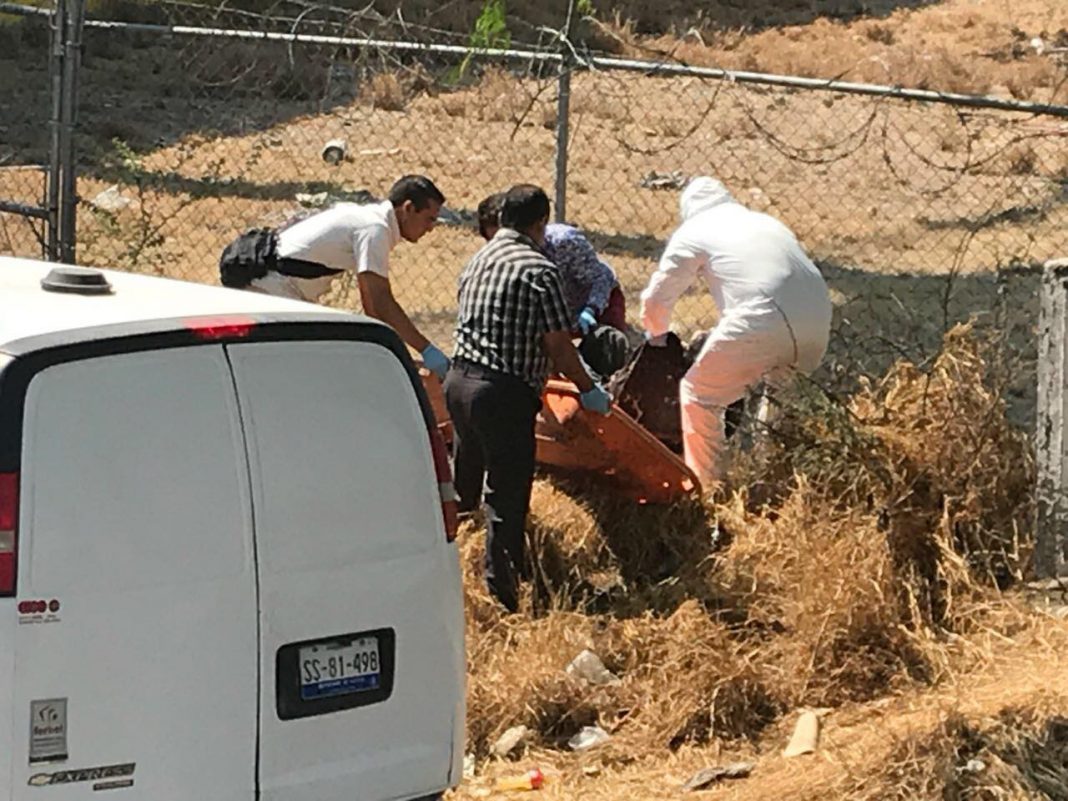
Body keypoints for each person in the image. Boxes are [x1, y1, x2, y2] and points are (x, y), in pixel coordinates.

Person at [447, 184, 612, 612]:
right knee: (507, 495)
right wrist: (590, 390)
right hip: (502, 392)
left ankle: (451, 577)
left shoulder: (478, 259)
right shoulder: (539, 270)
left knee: (465, 482)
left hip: (459, 383)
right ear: (541, 223)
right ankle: (504, 598)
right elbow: (558, 345)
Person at [640, 176, 832, 491]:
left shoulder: (694, 229)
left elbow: (658, 298)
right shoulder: (763, 222)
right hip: (818, 318)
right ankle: (772, 487)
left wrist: (657, 339)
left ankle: (708, 491)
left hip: (765, 315)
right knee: (779, 404)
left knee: (700, 394)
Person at [219, 175, 451, 379]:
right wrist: (425, 350)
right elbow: (379, 301)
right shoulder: (374, 229)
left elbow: (373, 305)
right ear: (408, 208)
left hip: (277, 285)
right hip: (272, 286)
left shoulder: (371, 220)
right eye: (429, 219)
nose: (430, 228)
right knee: (298, 369)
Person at [477, 193, 626, 334]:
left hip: (597, 303)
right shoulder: (492, 261)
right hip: (554, 315)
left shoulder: (565, 242)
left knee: (607, 348)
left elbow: (601, 277)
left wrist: (591, 309)